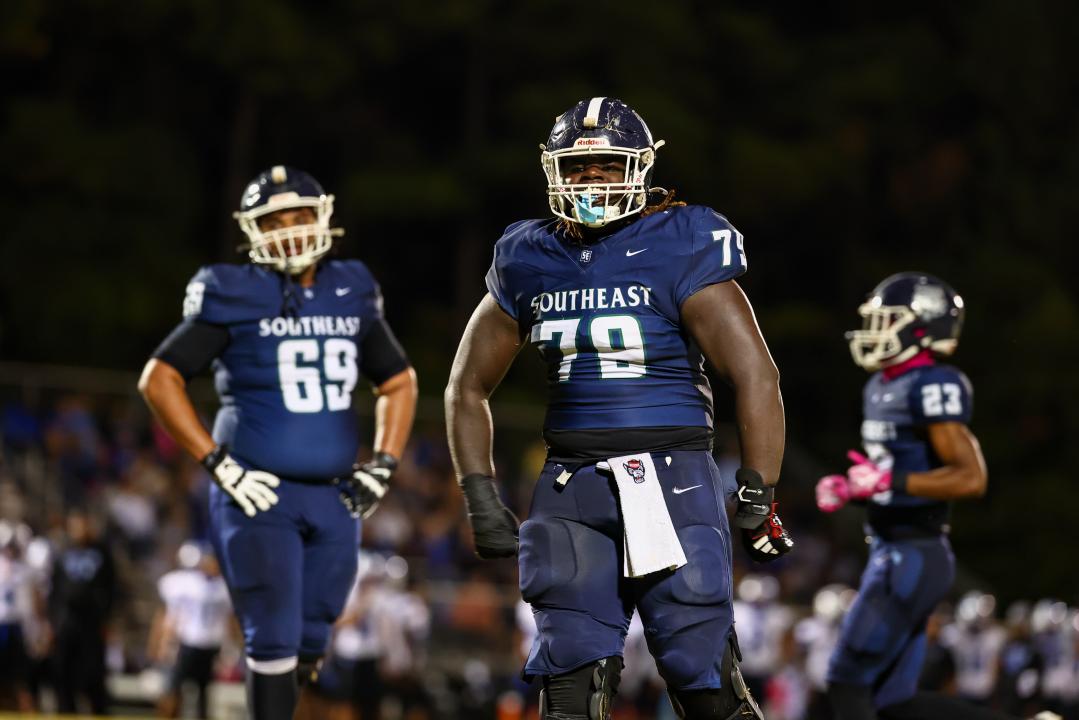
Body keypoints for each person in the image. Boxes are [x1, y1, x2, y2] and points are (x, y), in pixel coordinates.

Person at [445, 97, 791, 720]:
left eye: (607, 164)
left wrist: (759, 489)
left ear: (641, 167)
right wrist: (478, 491)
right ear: (552, 172)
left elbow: (755, 374)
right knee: (569, 688)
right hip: (571, 484)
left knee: (702, 678)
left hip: (672, 479)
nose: (592, 179)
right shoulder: (528, 256)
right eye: (577, 167)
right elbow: (466, 386)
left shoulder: (681, 239)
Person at [138, 165, 418, 720]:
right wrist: (218, 464)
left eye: (299, 216)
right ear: (252, 231)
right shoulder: (233, 290)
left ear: (323, 218)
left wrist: (384, 463)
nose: (289, 230)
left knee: (314, 631)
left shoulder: (350, 287)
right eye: (273, 221)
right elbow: (160, 379)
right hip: (258, 490)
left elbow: (398, 381)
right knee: (273, 632)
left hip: (335, 493)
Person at [815, 272, 1021, 720]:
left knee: (846, 681)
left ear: (922, 326)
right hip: (890, 546)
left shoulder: (933, 383)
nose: (876, 329)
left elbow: (970, 478)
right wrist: (853, 488)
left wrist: (889, 483)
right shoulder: (880, 385)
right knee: (893, 703)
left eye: (888, 319)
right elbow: (895, 470)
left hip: (913, 552)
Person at [149, 542, 233, 719]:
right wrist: (161, 642)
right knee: (173, 688)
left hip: (209, 645)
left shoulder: (223, 587)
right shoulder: (183, 583)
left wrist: (230, 647)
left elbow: (229, 621)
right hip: (186, 642)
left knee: (203, 692)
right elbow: (169, 616)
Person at [49, 509, 116, 715]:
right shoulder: (63, 553)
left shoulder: (102, 552)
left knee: (93, 672)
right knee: (63, 671)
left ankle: (99, 712)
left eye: (83, 525)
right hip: (67, 621)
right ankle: (66, 712)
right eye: (75, 526)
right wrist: (53, 622)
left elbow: (111, 587)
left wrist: (107, 618)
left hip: (92, 622)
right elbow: (55, 589)